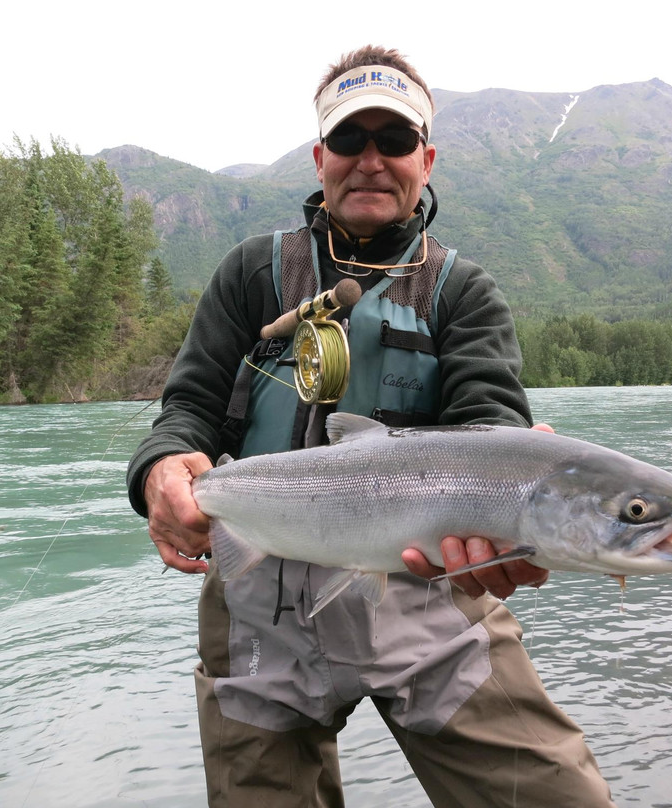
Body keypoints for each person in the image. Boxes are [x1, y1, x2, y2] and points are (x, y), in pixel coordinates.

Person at [127, 45, 614, 808]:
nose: (371, 161)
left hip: (430, 603)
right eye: (351, 141)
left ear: (427, 158)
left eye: (394, 141)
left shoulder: (465, 291)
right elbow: (184, 410)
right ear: (321, 157)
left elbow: (492, 419)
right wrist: (160, 469)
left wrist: (508, 506)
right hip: (259, 606)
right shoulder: (250, 273)